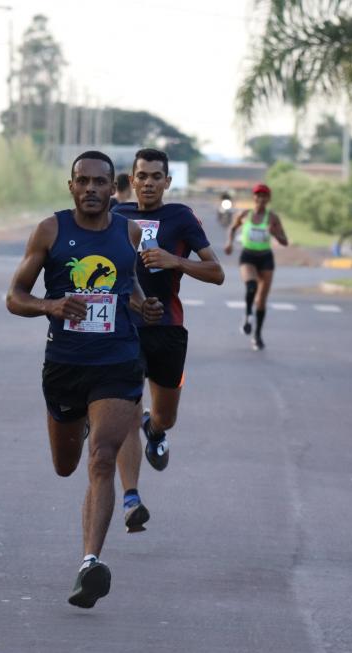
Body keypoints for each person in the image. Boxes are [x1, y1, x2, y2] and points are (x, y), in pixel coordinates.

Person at [5, 150, 163, 609]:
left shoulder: (128, 232)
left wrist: (144, 306)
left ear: (114, 189)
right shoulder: (50, 231)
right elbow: (14, 296)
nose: (91, 189)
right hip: (65, 366)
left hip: (117, 361)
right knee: (65, 464)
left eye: (100, 182)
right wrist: (50, 305)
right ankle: (83, 425)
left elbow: (127, 286)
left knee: (102, 458)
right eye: (83, 181)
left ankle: (90, 562)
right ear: (71, 186)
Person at [111, 148, 225, 533]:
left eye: (156, 176)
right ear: (131, 180)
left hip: (167, 329)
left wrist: (176, 261)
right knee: (125, 411)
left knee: (165, 417)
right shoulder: (116, 215)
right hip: (124, 329)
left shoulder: (181, 217)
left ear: (167, 182)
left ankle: (155, 429)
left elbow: (216, 272)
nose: (148, 183)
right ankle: (131, 498)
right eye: (141, 176)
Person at [224, 183, 289, 351]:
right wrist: (229, 243)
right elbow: (232, 228)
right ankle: (247, 315)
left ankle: (257, 335)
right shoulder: (244, 214)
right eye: (258, 195)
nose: (261, 198)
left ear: (268, 199)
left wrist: (275, 234)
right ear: (254, 197)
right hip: (248, 256)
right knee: (251, 285)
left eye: (264, 196)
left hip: (266, 258)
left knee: (261, 300)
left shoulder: (273, 218)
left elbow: (285, 241)